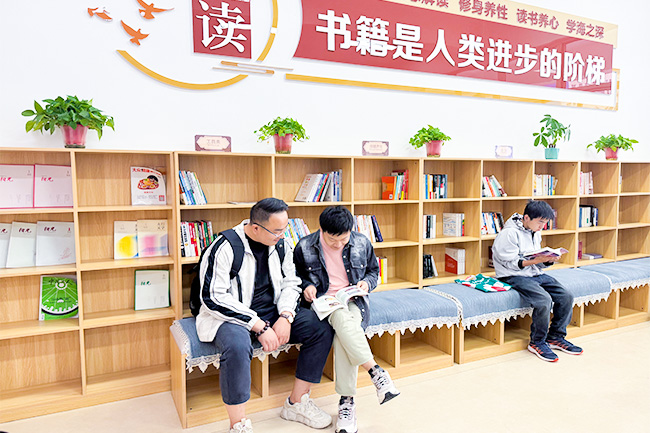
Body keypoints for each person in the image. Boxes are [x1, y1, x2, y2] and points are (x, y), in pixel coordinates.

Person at [196, 198, 334, 433]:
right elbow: (213, 297)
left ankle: (297, 403)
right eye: (277, 231)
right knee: (237, 346)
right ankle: (238, 424)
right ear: (256, 227)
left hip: (273, 311)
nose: (282, 235)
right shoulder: (225, 247)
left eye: (284, 228)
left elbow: (292, 282)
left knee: (320, 327)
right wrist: (258, 325)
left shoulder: (281, 245)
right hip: (232, 316)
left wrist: (286, 316)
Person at [294, 206, 400, 433]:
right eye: (333, 240)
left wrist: (366, 284)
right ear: (321, 230)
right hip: (324, 302)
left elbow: (373, 272)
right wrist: (307, 286)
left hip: (354, 300)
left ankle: (348, 402)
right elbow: (296, 277)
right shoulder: (304, 246)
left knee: (344, 334)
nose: (338, 245)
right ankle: (374, 374)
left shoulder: (361, 242)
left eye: (343, 239)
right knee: (342, 318)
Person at [492, 200, 583, 362]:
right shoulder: (508, 234)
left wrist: (547, 260)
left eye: (545, 222)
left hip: (534, 273)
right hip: (512, 275)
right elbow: (510, 263)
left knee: (566, 296)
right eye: (540, 222)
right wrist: (536, 260)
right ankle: (537, 342)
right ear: (526, 218)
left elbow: (535, 259)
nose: (542, 226)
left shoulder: (535, 231)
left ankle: (555, 337)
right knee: (544, 300)